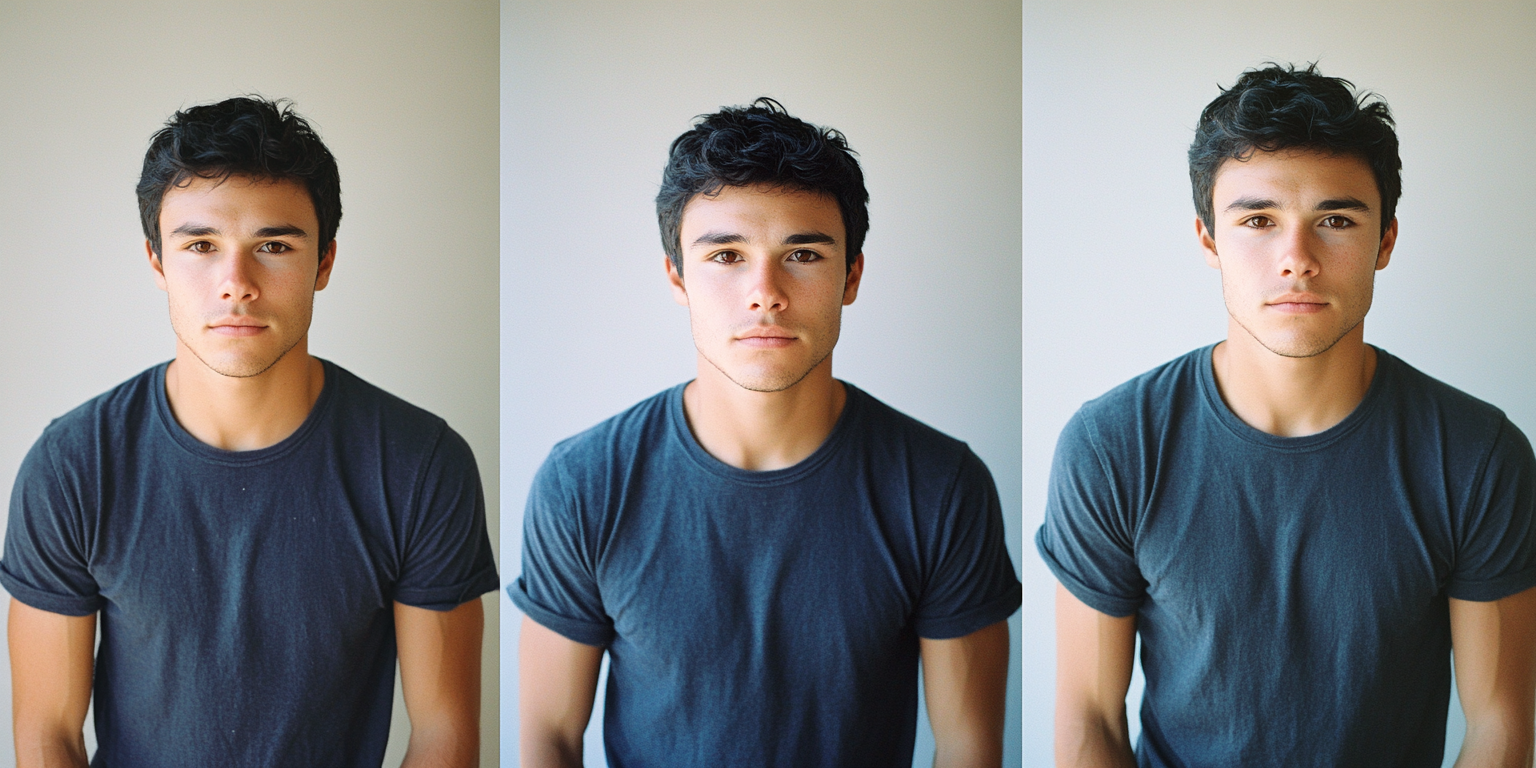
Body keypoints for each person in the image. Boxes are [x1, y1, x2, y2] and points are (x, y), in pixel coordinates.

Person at [1038, 63, 1536, 767]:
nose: (1296, 259)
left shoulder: (1477, 454)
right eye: (1258, 221)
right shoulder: (1113, 444)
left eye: (1335, 220)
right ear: (1209, 239)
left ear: (1385, 241)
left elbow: (1501, 729)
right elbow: (1088, 718)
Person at [509, 98, 1021, 768]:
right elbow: (548, 736)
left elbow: (966, 748)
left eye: (802, 253)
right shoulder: (584, 483)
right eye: (725, 255)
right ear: (677, 278)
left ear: (851, 277)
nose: (765, 292)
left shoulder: (940, 485)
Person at [2, 97, 498, 767]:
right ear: (157, 263)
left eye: (273, 245)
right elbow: (46, 737)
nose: (236, 284)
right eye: (200, 246)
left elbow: (445, 736)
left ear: (323, 263)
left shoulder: (419, 463)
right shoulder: (72, 466)